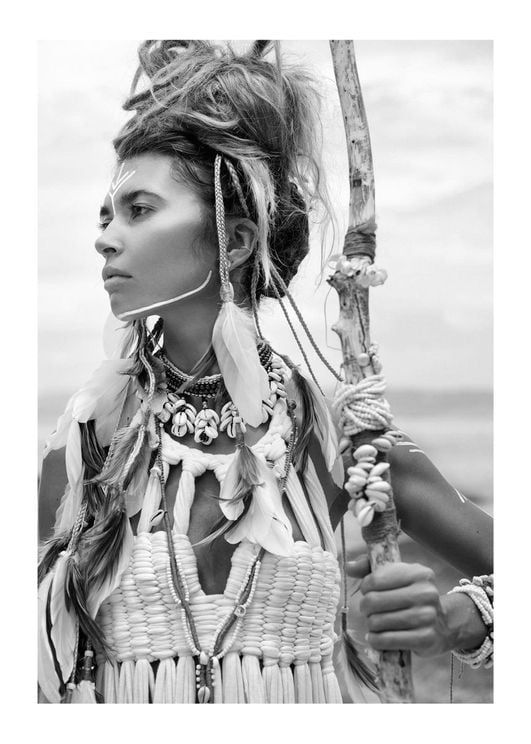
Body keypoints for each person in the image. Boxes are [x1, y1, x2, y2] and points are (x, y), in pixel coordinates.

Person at [38, 40, 493, 704]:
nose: (105, 237)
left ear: (239, 236)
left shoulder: (342, 437)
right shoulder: (87, 444)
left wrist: (457, 618)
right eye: (106, 215)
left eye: (139, 210)